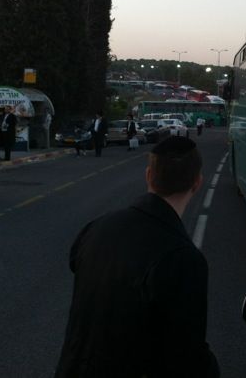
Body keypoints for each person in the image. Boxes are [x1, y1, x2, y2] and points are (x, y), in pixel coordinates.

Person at [55, 136, 220, 378]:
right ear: (197, 183)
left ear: (149, 176)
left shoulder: (96, 228)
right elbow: (187, 356)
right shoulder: (184, 259)